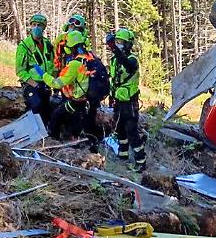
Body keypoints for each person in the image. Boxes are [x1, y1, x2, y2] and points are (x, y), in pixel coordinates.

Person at [38, 29, 108, 150]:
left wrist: (43, 75)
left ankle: (53, 145)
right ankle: (89, 143)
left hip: (78, 103)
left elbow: (57, 83)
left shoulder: (75, 64)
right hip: (91, 102)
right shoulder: (92, 59)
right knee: (87, 126)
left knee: (56, 116)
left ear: (70, 48)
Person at [108, 28, 145, 172]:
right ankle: (122, 155)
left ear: (128, 44)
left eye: (121, 42)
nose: (118, 45)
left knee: (132, 132)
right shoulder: (114, 60)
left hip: (129, 102)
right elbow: (114, 79)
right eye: (116, 42)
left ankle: (141, 161)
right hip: (118, 100)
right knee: (119, 130)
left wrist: (114, 48)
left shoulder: (132, 59)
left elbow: (128, 67)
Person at [15, 12, 55, 121]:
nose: (36, 27)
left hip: (46, 84)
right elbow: (20, 70)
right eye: (34, 25)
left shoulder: (48, 45)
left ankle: (46, 135)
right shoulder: (24, 46)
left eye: (39, 25)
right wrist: (35, 84)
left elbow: (53, 64)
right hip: (31, 84)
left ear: (44, 27)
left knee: (46, 111)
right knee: (35, 106)